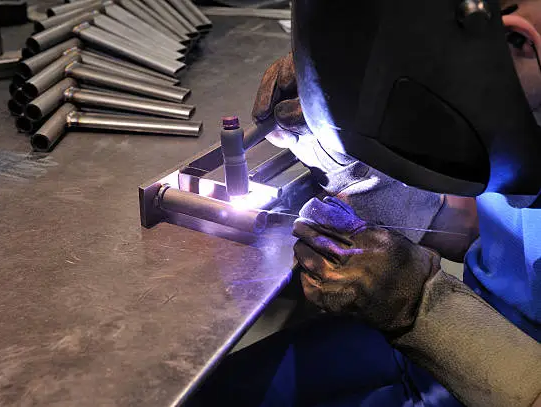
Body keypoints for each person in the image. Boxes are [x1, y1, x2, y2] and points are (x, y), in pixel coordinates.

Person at [187, 1, 541, 406]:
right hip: (446, 351)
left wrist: (427, 311)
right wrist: (351, 169)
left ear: (519, 39)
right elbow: (488, 232)